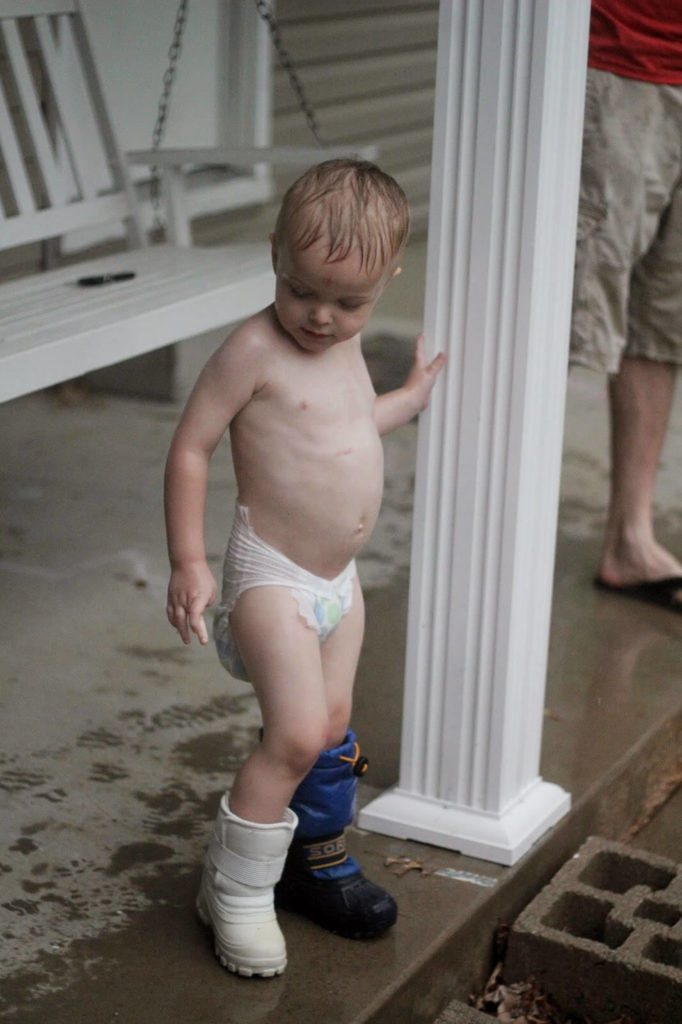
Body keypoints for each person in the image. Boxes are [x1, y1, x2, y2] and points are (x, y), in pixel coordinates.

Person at [164, 159, 446, 977]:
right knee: (291, 735)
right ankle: (235, 891)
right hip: (272, 579)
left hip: (336, 586)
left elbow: (350, 425)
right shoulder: (254, 347)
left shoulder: (343, 348)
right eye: (302, 291)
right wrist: (188, 557)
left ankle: (308, 859)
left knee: (327, 732)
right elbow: (191, 446)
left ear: (387, 281)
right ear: (276, 257)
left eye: (349, 303)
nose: (320, 318)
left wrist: (412, 398)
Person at [571, 0, 682, 613]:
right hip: (620, 64)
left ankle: (630, 539)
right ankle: (487, 536)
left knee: (662, 322)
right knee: (569, 320)